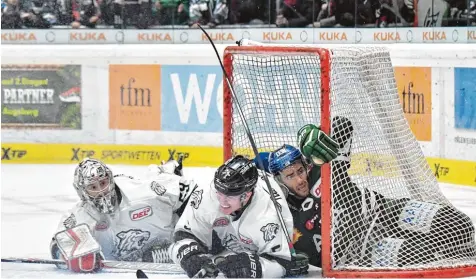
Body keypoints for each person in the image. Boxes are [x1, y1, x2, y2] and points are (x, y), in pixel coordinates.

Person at [257, 116, 476, 268]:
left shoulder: (320, 165)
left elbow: (342, 125)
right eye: (290, 176)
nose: (300, 179)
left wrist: (310, 132)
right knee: (429, 256)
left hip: (385, 211)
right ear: (279, 181)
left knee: (461, 226)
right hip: (363, 248)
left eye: (299, 171)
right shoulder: (284, 217)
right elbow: (248, 173)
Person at [169, 155, 309, 278]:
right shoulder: (208, 192)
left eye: (229, 196)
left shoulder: (268, 215)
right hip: (221, 237)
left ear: (246, 195)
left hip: (257, 244)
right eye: (219, 192)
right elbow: (183, 235)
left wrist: (252, 267)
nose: (222, 201)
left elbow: (283, 263)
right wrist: (190, 257)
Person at [50, 157, 196, 273]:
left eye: (103, 183)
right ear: (82, 192)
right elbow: (58, 245)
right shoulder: (80, 215)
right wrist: (74, 257)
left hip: (174, 250)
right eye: (93, 187)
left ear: (111, 180)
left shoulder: (144, 192)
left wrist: (188, 234)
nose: (101, 191)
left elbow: (191, 194)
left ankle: (166, 170)